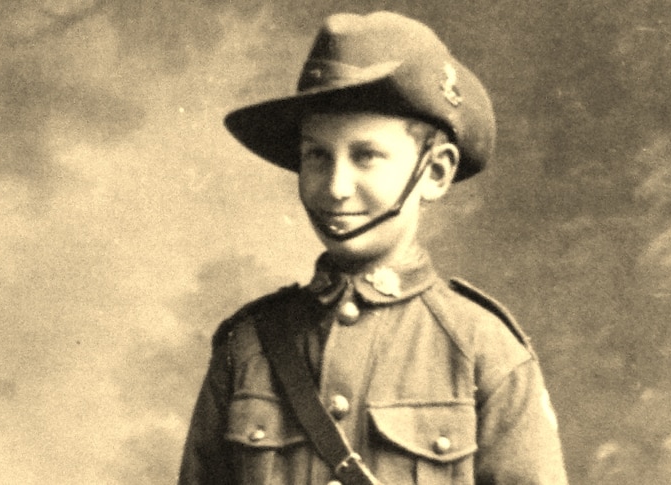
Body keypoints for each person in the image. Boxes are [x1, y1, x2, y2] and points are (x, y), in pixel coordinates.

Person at [179, 11, 567, 485]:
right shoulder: (248, 348)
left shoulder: (485, 352)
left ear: (436, 172)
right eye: (317, 156)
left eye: (366, 156)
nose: (337, 186)